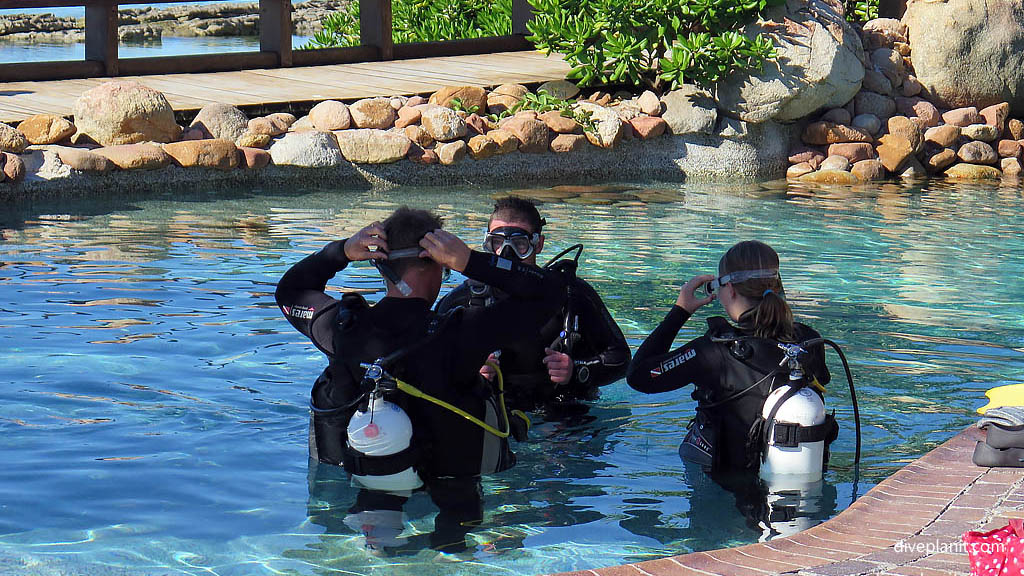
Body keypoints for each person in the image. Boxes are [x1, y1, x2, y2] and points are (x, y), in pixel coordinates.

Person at [275, 206, 568, 488]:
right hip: (450, 496)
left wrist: (341, 251)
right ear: (439, 264)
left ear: (381, 265)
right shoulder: (465, 333)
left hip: (357, 489)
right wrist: (470, 262)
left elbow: (290, 291)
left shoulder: (342, 330)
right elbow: (551, 292)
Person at [626, 240, 832, 474]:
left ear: (730, 289)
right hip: (800, 475)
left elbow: (639, 375)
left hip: (722, 486)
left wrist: (680, 311)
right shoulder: (809, 341)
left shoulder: (713, 352)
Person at [435, 196, 630, 416]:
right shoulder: (463, 301)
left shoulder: (569, 294)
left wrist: (577, 370)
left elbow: (621, 358)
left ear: (538, 244)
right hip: (496, 414)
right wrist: (468, 372)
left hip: (565, 414)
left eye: (519, 245)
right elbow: (431, 370)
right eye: (497, 243)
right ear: (487, 243)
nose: (506, 255)